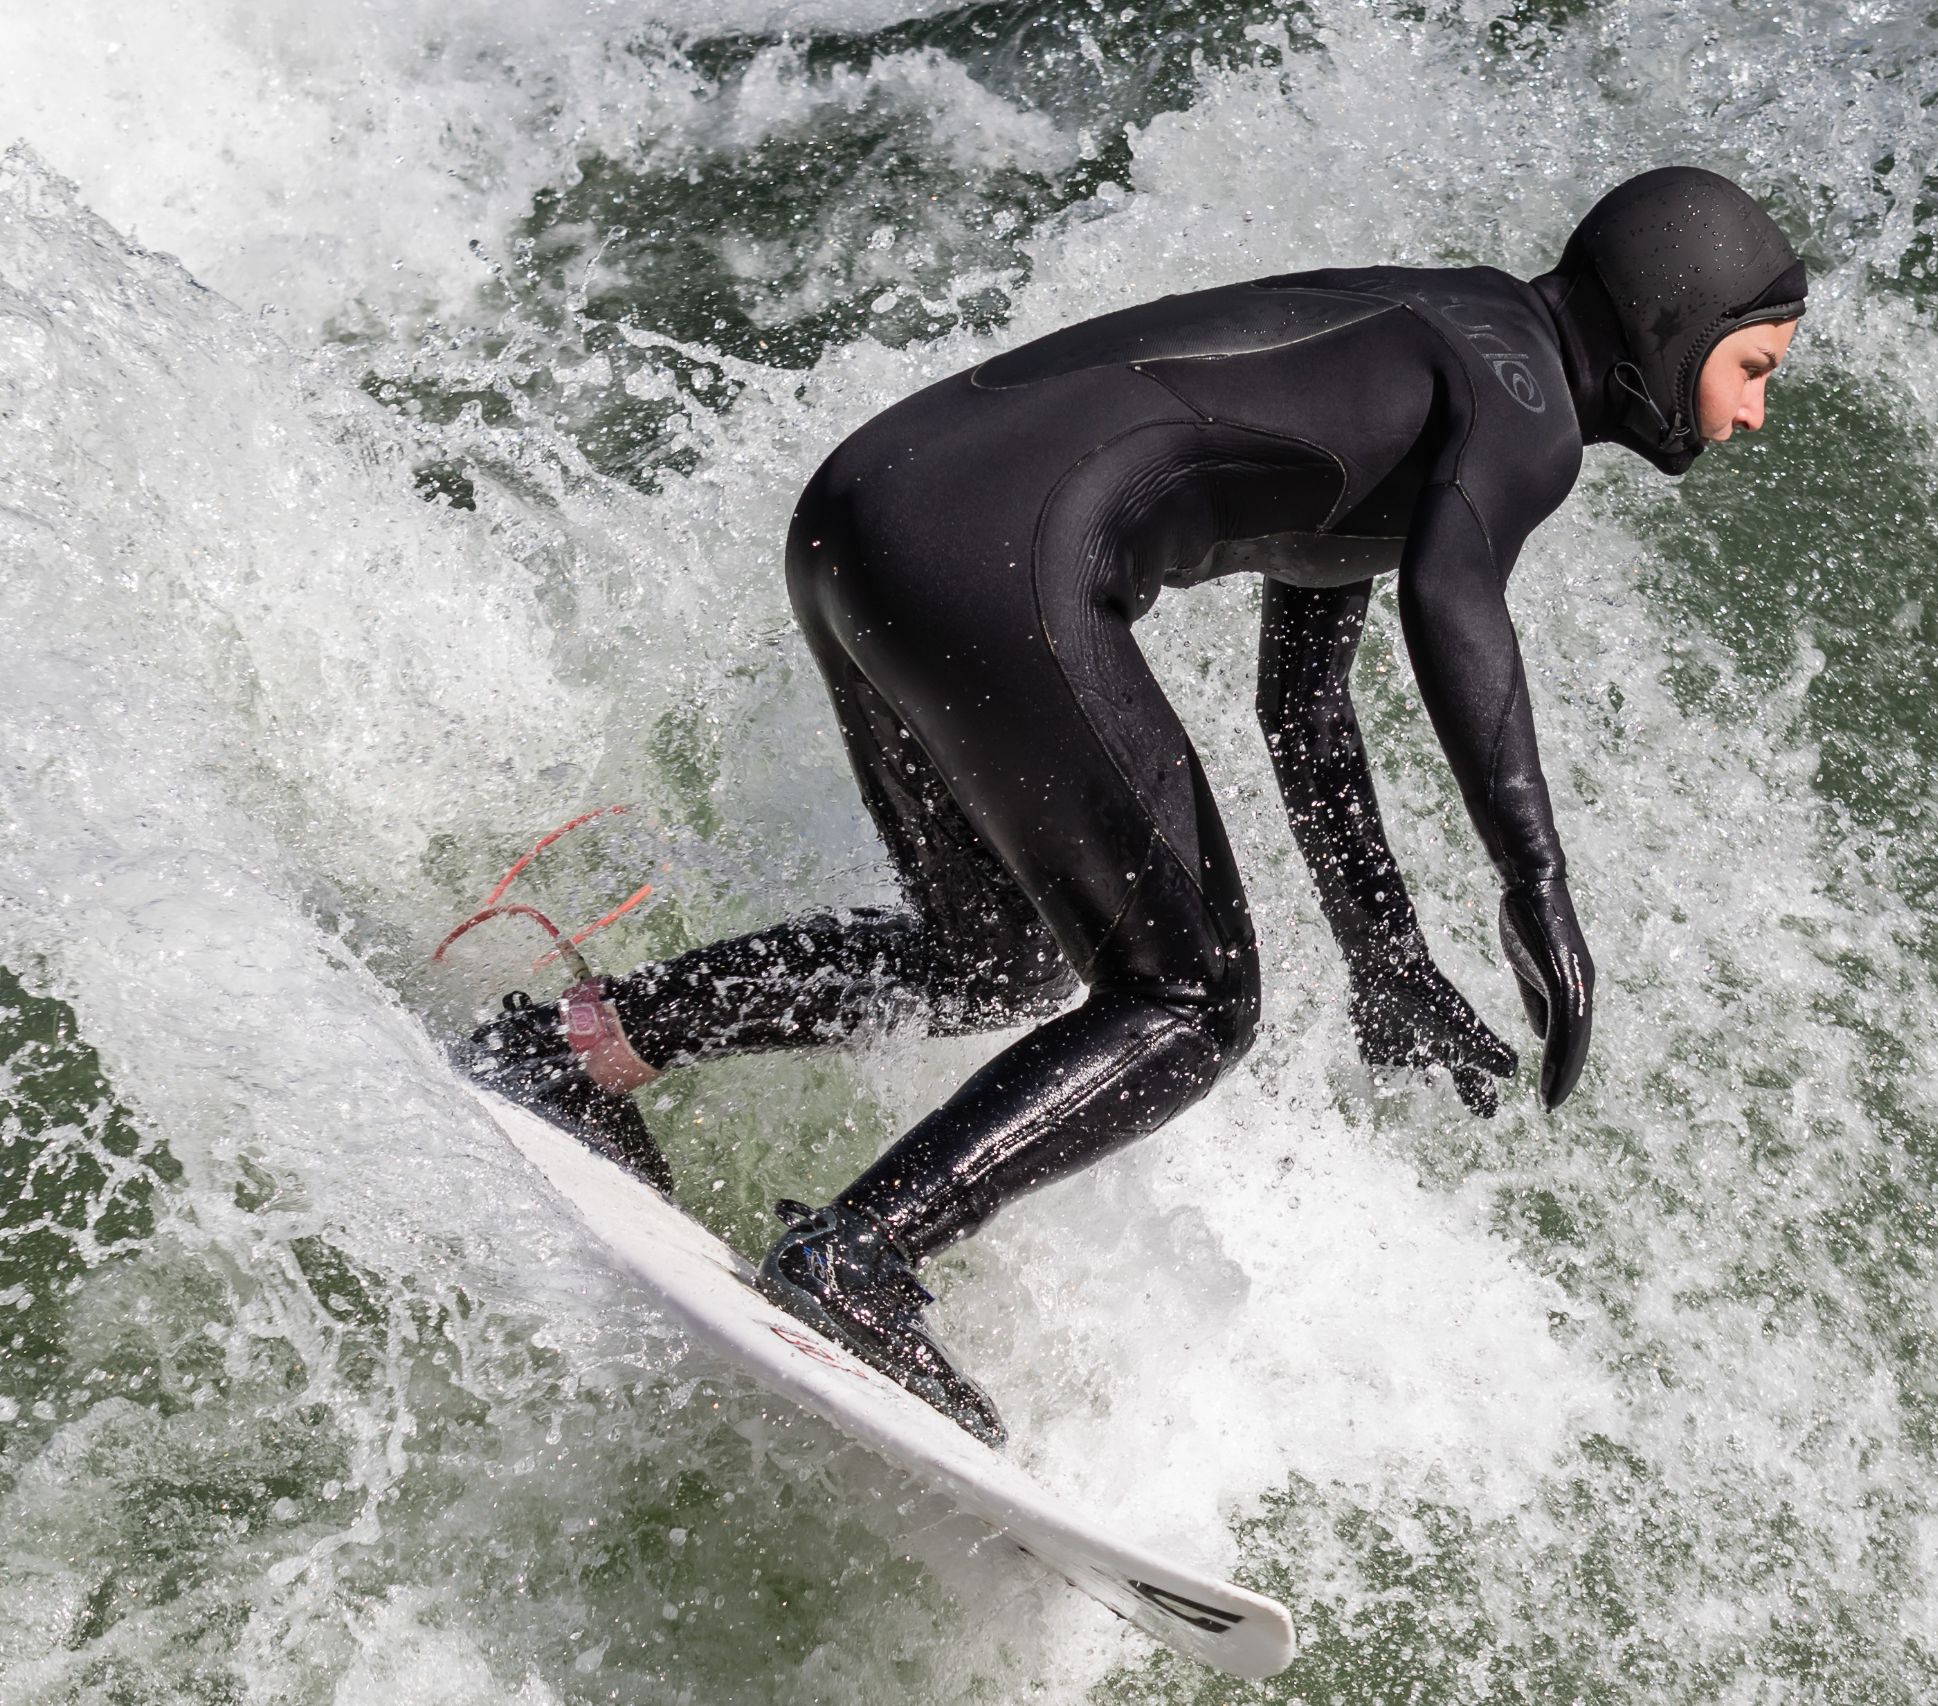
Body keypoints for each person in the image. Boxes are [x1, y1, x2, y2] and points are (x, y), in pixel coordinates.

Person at [461, 166, 1805, 1444]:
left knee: (990, 954)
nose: (1751, 418)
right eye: (1749, 369)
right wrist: (1541, 895)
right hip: (1001, 555)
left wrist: (1388, 960)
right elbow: (1455, 600)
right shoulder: (1523, 406)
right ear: (1667, 319)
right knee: (1194, 996)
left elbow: (1307, 708)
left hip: (867, 513)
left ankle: (580, 1047)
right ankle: (859, 1251)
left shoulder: (1430, 350)